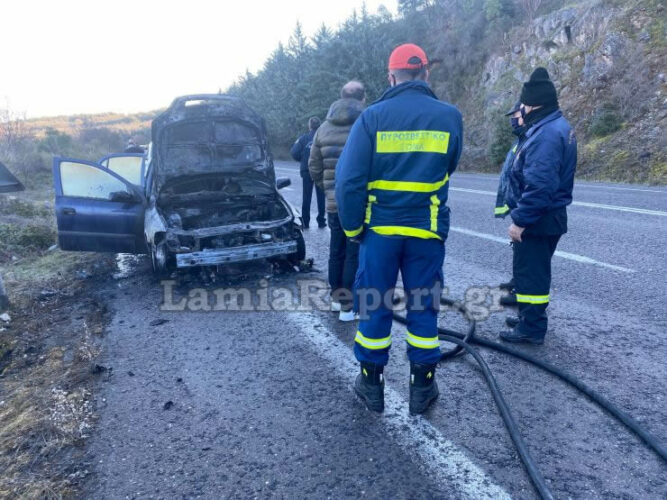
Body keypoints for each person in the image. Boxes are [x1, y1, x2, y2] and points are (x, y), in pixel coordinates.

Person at [335, 44, 463, 414]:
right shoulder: (450, 116)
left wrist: (353, 228)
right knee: (424, 305)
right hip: (427, 231)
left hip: (380, 233)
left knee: (374, 304)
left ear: (391, 77)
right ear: (426, 73)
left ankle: (371, 385)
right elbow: (449, 165)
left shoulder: (372, 117)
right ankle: (422, 389)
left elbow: (349, 181)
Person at [500, 67, 577, 345]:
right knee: (532, 272)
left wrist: (520, 220)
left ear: (533, 104)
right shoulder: (553, 126)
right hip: (548, 216)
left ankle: (531, 329)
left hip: (539, 218)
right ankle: (527, 317)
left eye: (524, 102)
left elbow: (540, 186)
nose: (521, 108)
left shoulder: (545, 134)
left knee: (531, 276)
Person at [309, 81, 365, 321]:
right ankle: (348, 307)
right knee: (354, 252)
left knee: (336, 250)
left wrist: (328, 189)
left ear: (340, 96)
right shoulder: (366, 123)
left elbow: (313, 165)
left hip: (333, 201)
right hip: (358, 201)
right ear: (362, 99)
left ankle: (335, 299)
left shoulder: (323, 128)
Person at [495, 100, 527, 308]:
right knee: (519, 248)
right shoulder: (521, 139)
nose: (513, 120)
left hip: (527, 206)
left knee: (527, 254)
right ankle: (518, 283)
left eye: (516, 116)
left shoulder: (531, 139)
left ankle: (522, 292)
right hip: (520, 206)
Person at [291, 117, 326, 229]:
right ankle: (321, 221)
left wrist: (302, 160)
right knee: (321, 196)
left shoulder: (303, 138)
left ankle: (305, 222)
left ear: (309, 126)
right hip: (320, 170)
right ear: (319, 126)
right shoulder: (324, 138)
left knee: (306, 196)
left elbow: (294, 152)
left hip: (306, 170)